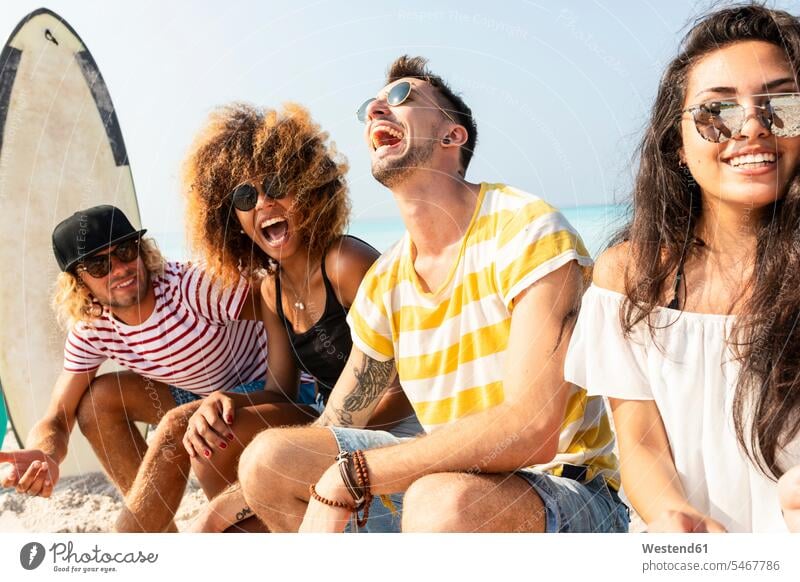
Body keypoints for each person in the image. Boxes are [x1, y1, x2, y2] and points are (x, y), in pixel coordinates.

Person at [237, 56, 628, 533]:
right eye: (372, 106)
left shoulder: (526, 229)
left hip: (570, 491)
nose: (378, 108)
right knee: (269, 460)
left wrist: (357, 474)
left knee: (440, 502)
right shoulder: (387, 279)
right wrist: (229, 507)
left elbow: (532, 431)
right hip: (444, 488)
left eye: (402, 97)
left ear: (452, 135)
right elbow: (339, 421)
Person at [564, 5, 800, 532]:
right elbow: (642, 446)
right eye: (718, 113)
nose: (755, 128)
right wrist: (678, 520)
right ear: (677, 144)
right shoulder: (630, 276)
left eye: (784, 103)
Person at [179, 102, 417, 532]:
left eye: (276, 185)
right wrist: (226, 400)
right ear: (232, 220)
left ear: (308, 190)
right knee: (212, 437)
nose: (264, 201)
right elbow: (281, 393)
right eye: (246, 196)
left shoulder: (345, 262)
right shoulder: (271, 289)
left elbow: (406, 390)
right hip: (331, 425)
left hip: (400, 429)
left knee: (216, 518)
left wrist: (323, 436)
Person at [0, 205, 280, 534]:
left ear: (142, 252)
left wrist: (288, 389)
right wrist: (45, 454)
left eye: (124, 251)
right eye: (98, 264)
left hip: (268, 393)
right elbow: (59, 417)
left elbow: (282, 310)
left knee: (179, 425)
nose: (118, 268)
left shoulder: (193, 289)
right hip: (202, 398)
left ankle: (129, 555)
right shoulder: (93, 328)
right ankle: (159, 536)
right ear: (79, 282)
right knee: (96, 402)